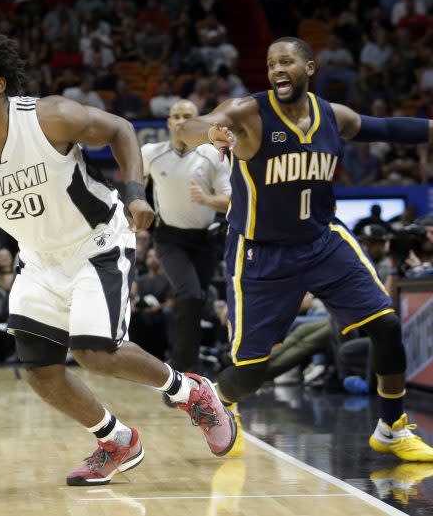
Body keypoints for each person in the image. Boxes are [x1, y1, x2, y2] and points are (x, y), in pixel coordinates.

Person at [0, 20, 236, 486]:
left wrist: (134, 192)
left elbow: (120, 129)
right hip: (39, 255)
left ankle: (191, 392)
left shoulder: (46, 117)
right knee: (40, 370)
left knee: (94, 352)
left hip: (97, 240)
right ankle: (115, 439)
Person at [175, 36, 433, 461]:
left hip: (321, 241)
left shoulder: (334, 117)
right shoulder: (248, 112)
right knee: (252, 371)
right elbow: (189, 128)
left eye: (287, 62)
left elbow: (388, 129)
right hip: (261, 253)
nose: (277, 69)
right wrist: (213, 131)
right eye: (271, 63)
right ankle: (216, 398)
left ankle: (392, 427)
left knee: (386, 325)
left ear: (309, 68)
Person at [141, 99, 231, 389]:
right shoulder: (150, 153)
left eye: (187, 116)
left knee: (196, 300)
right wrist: (136, 206)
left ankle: (186, 369)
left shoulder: (212, 155)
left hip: (205, 240)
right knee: (189, 293)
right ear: (168, 122)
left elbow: (230, 199)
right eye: (176, 116)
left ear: (199, 122)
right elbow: (134, 183)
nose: (181, 121)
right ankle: (181, 373)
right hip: (168, 238)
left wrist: (207, 200)